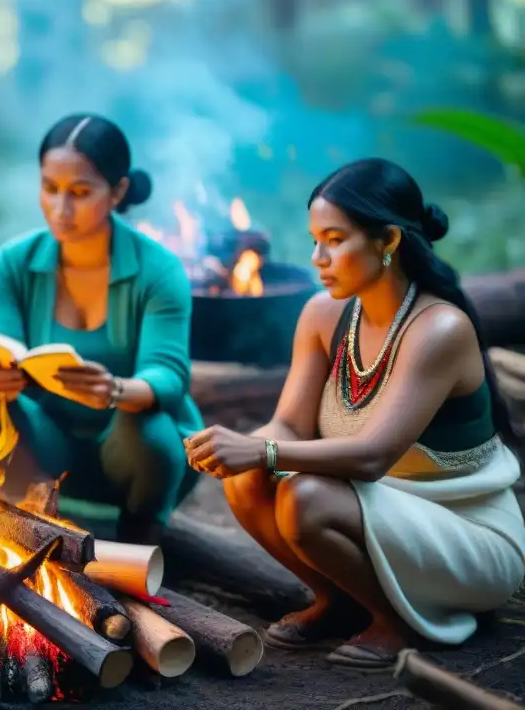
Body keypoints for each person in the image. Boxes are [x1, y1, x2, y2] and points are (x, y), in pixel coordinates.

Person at [185, 158, 525, 670]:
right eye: (314, 239)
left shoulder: (437, 329)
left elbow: (373, 458)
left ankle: (398, 624)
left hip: (467, 539)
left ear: (387, 241)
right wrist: (244, 446)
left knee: (305, 496)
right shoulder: (324, 314)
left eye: (334, 239)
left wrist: (262, 449)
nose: (317, 257)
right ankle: (341, 603)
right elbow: (289, 426)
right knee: (248, 479)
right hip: (382, 513)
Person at [0, 113, 203, 545]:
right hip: (50, 443)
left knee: (144, 425)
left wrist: (115, 390)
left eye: (80, 192)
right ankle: (20, 528)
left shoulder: (159, 270)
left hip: (137, 456)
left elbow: (168, 374)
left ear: (118, 192)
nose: (60, 208)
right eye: (50, 188)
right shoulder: (14, 262)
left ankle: (140, 536)